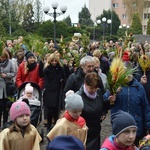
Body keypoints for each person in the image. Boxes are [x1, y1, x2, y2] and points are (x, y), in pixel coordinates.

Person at [103, 74, 150, 146]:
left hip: (136, 126)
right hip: (120, 128)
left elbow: (145, 108)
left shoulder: (139, 87)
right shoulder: (116, 86)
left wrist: (148, 125)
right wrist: (112, 93)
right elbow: (104, 99)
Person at [76, 72, 111, 150]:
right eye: (91, 88)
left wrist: (104, 111)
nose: (94, 90)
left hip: (96, 132)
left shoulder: (98, 93)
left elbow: (101, 106)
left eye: (95, 87)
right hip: (84, 134)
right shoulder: (79, 97)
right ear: (85, 84)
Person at [43, 53, 66, 131]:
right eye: (52, 61)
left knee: (56, 109)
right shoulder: (47, 69)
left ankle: (56, 124)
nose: (54, 63)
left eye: (55, 61)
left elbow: (64, 77)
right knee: (50, 110)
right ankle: (49, 125)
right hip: (49, 91)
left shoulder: (60, 69)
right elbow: (43, 76)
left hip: (57, 91)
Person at [0, 48, 16, 127]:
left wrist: (6, 75)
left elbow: (13, 73)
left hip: (7, 88)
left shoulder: (10, 63)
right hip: (0, 88)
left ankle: (5, 123)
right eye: (1, 57)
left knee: (6, 107)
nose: (2, 58)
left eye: (3, 57)